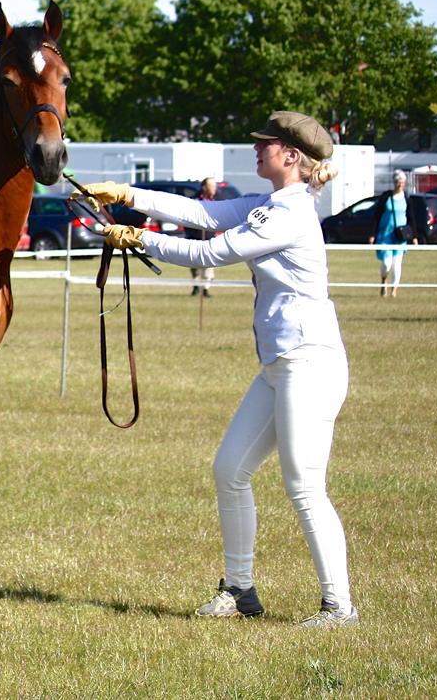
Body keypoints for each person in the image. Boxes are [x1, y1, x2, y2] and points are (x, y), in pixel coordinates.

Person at [82, 111, 358, 628]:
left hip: (309, 363)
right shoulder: (267, 204)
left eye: (267, 144)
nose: (257, 150)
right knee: (230, 469)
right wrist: (128, 193)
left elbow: (214, 250)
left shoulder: (289, 214)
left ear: (292, 157)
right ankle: (240, 589)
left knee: (303, 486)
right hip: (281, 365)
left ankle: (339, 605)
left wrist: (141, 240)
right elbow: (202, 212)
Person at [368, 170, 418, 298]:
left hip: (400, 236)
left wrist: (414, 237)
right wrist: (372, 234)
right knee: (386, 263)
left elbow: (411, 217)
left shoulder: (406, 198)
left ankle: (394, 290)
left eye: (402, 182)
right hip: (385, 235)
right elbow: (377, 216)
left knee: (397, 264)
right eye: (397, 182)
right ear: (394, 182)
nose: (400, 184)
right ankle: (384, 280)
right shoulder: (386, 197)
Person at [185, 178, 218, 296]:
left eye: (215, 186)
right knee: (194, 265)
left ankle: (206, 288)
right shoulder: (194, 201)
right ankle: (195, 286)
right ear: (204, 187)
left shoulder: (217, 201)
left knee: (208, 265)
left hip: (209, 239)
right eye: (212, 186)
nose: (214, 189)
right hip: (195, 237)